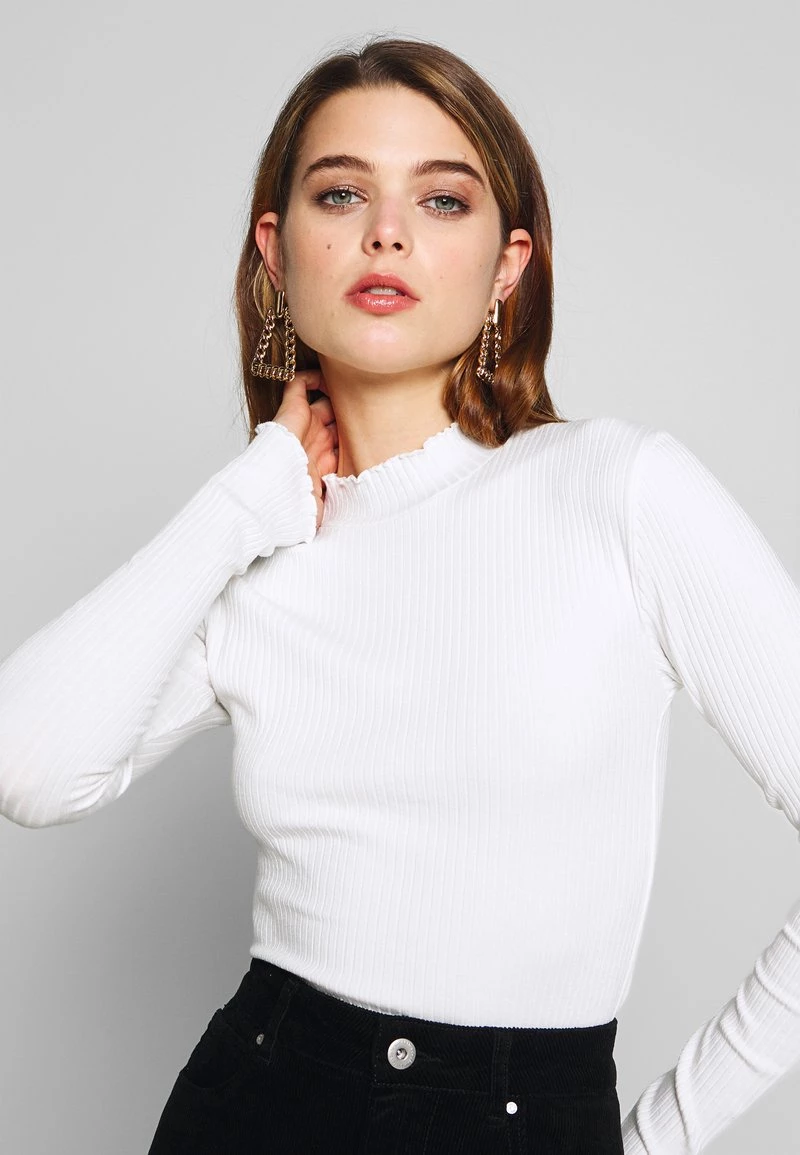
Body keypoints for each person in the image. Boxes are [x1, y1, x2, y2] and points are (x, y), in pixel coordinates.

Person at [1, 34, 800, 1155]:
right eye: (341, 193)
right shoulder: (259, 556)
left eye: (440, 200)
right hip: (256, 1103)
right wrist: (242, 502)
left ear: (508, 265)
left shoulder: (615, 490)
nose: (386, 233)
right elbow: (27, 766)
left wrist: (661, 1137)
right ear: (275, 255)